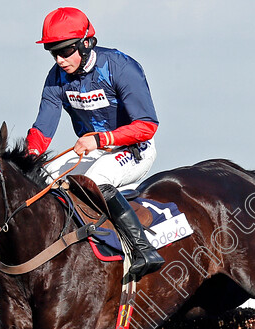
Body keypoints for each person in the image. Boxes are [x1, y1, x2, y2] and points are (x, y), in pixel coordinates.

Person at [27, 7, 164, 279]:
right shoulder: (56, 78)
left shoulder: (121, 67)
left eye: (65, 51)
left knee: (96, 180)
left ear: (86, 44)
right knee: (41, 178)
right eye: (53, 52)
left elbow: (147, 126)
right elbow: (43, 128)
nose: (59, 59)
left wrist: (101, 139)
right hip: (94, 149)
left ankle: (143, 250)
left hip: (134, 149)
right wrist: (29, 157)